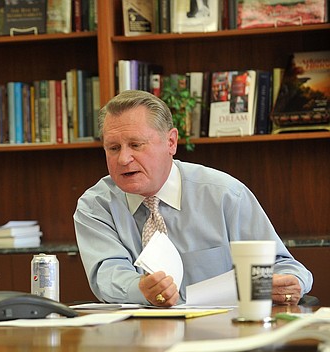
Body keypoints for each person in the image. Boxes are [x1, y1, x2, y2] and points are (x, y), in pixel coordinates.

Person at [73, 90, 312, 307]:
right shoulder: (96, 206)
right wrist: (140, 289)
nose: (124, 159)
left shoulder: (225, 195)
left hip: (222, 337)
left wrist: (290, 284)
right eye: (113, 148)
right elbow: (107, 273)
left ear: (171, 142)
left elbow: (285, 267)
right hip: (139, 338)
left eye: (136, 145)